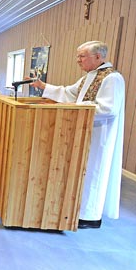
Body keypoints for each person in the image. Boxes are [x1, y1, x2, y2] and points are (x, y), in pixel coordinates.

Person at [29, 40, 125, 229]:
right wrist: (43, 86)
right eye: (78, 56)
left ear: (98, 57)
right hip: (84, 132)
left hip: (99, 136)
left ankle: (90, 216)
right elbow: (68, 93)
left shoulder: (112, 78)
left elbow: (108, 109)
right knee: (82, 172)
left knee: (93, 172)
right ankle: (77, 210)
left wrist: (77, 108)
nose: (78, 60)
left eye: (82, 56)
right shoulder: (89, 77)